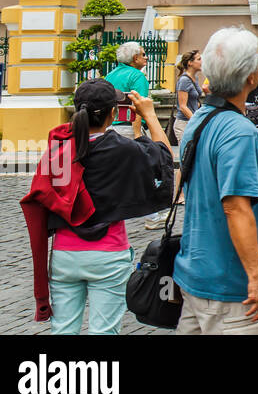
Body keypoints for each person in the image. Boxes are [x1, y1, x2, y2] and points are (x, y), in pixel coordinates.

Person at [20, 78, 173, 333]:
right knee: (104, 331)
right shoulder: (123, 150)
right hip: (109, 253)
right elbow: (164, 160)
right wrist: (149, 117)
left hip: (64, 254)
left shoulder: (58, 149)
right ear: (112, 114)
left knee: (63, 330)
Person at [175, 27, 258, 334]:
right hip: (232, 289)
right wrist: (257, 278)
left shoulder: (198, 119)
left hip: (194, 275)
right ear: (252, 78)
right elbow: (235, 207)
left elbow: (209, 187)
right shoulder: (239, 131)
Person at [106, 41, 151, 139]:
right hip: (129, 129)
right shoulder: (137, 76)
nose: (146, 57)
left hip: (109, 127)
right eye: (143, 54)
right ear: (135, 58)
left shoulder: (109, 75)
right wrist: (137, 134)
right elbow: (138, 105)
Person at [173, 49, 202, 147]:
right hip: (183, 124)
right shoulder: (185, 80)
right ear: (190, 63)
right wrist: (196, 121)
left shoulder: (195, 78)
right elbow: (183, 106)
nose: (201, 62)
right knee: (186, 156)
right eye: (199, 59)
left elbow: (195, 100)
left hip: (191, 122)